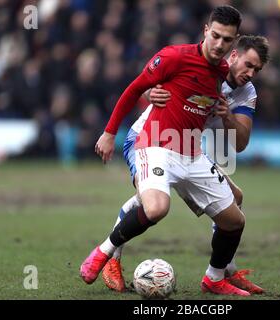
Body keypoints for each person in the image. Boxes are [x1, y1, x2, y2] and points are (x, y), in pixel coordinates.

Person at [80, 5, 250, 296]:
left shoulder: (224, 73)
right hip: (156, 143)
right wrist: (109, 133)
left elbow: (232, 105)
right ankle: (103, 252)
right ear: (206, 31)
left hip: (192, 153)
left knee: (235, 220)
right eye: (216, 36)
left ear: (234, 42)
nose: (220, 45)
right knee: (157, 207)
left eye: (227, 40)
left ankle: (214, 278)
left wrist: (226, 113)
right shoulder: (174, 56)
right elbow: (135, 88)